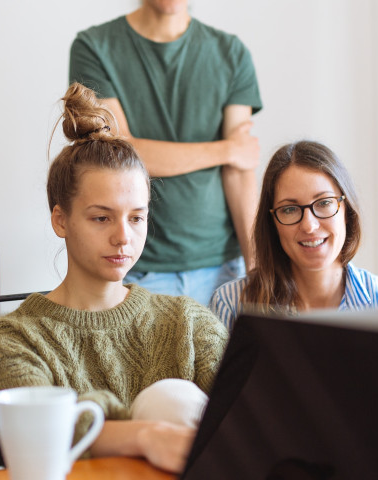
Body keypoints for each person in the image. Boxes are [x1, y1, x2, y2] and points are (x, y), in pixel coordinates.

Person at [0, 83, 228, 474]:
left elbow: (250, 419)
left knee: (171, 398)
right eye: (101, 217)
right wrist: (146, 435)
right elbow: (38, 436)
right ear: (61, 219)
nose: (123, 236)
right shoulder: (10, 339)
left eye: (136, 217)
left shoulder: (189, 323)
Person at [69, 0, 262, 306]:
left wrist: (257, 270)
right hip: (137, 267)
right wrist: (226, 149)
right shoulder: (94, 47)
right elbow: (121, 156)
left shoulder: (231, 52)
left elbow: (239, 169)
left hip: (224, 269)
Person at [210, 140, 378, 331]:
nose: (309, 226)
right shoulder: (231, 304)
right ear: (272, 223)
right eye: (289, 209)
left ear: (346, 212)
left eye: (324, 203)